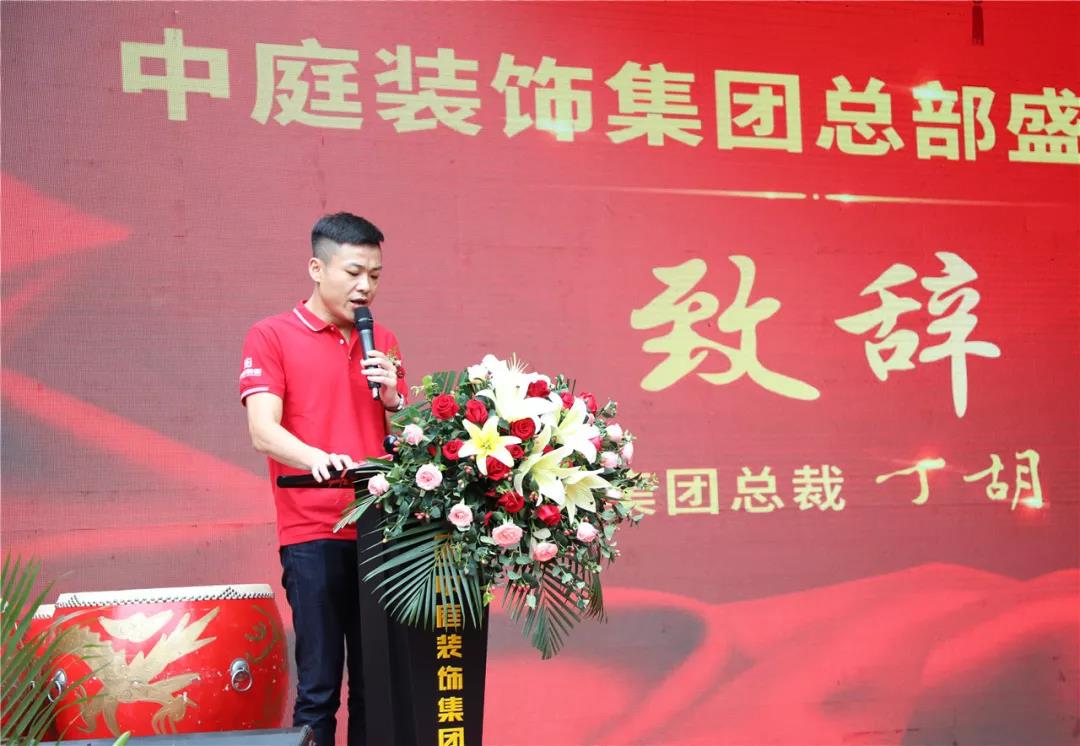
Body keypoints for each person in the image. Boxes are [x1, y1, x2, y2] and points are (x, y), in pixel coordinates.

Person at [239, 212, 407, 746]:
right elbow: (263, 431)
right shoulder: (271, 335)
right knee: (319, 689)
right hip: (313, 532)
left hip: (379, 535)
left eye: (375, 276)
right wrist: (318, 458)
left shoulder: (382, 339)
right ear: (317, 268)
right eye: (354, 272)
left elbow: (404, 443)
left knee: (375, 687)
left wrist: (395, 400)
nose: (366, 287)